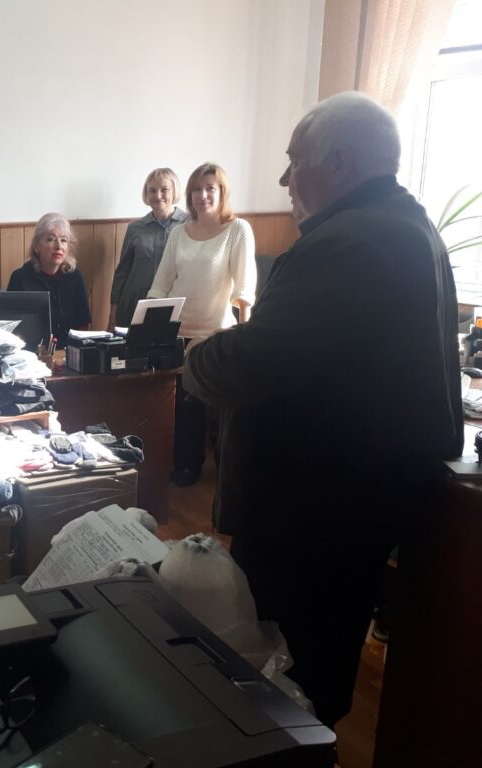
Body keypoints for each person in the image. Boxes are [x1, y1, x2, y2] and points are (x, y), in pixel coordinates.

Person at [182, 91, 462, 728]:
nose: (285, 179)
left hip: (312, 516)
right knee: (314, 668)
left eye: (294, 160)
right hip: (344, 507)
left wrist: (196, 360)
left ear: (338, 162)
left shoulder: (349, 243)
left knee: (286, 678)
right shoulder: (405, 224)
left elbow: (259, 360)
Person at [147, 163, 256, 487]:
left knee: (220, 408)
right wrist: (150, 328)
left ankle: (226, 471)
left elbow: (244, 289)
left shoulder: (237, 229)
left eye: (211, 188)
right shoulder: (179, 233)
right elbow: (160, 285)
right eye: (197, 189)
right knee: (181, 405)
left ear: (222, 193)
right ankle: (186, 465)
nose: (203, 195)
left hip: (215, 333)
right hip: (177, 332)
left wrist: (244, 338)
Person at [107, 168, 187, 330]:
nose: (158, 195)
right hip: (133, 305)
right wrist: (113, 312)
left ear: (174, 191)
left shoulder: (189, 224)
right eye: (152, 190)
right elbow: (123, 271)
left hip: (172, 304)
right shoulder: (135, 228)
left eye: (164, 189)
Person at [7, 213, 91, 348]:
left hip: (68, 353)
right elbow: (12, 327)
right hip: (30, 353)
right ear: (36, 246)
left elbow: (82, 325)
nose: (58, 246)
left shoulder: (75, 277)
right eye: (51, 239)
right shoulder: (20, 278)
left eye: (63, 240)